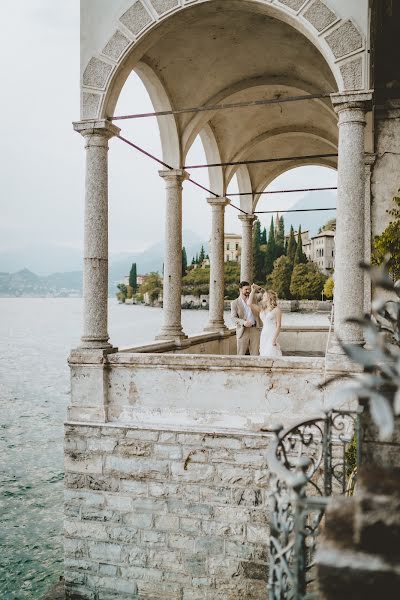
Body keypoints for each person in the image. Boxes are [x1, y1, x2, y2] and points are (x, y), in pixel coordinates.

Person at [247, 286, 282, 358]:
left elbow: (278, 326)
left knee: (271, 351)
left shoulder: (277, 310)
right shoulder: (262, 309)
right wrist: (253, 291)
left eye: (265, 295)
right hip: (264, 333)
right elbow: (249, 303)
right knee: (264, 352)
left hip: (272, 333)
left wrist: (274, 339)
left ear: (269, 297)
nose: (263, 296)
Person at [230, 281, 262, 355]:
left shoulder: (254, 299)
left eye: (249, 289)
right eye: (246, 289)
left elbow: (266, 294)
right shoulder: (234, 303)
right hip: (242, 331)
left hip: (255, 329)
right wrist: (243, 323)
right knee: (240, 354)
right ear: (240, 289)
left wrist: (258, 288)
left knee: (256, 354)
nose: (248, 291)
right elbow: (233, 318)